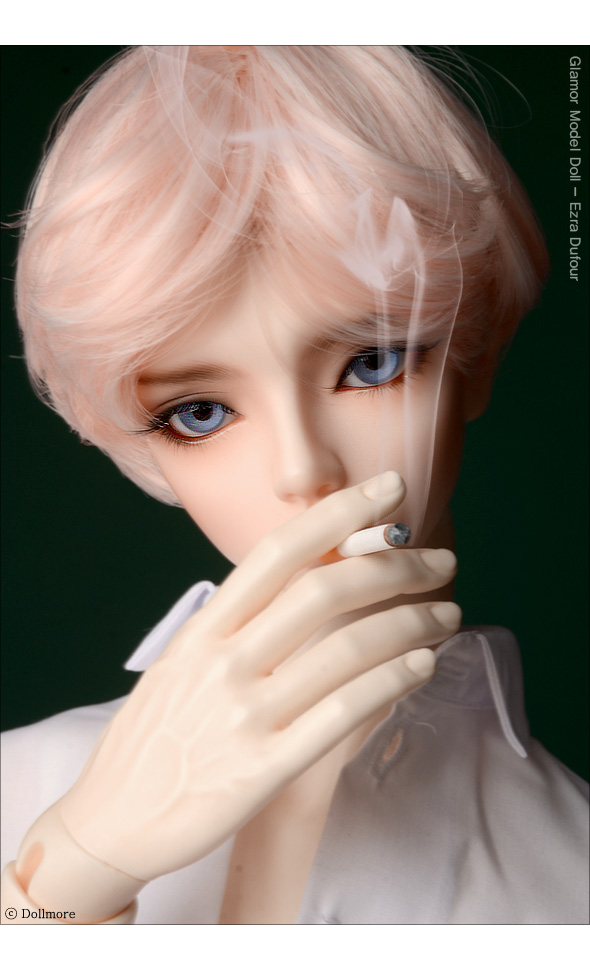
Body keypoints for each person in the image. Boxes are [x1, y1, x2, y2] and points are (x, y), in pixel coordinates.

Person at [1, 46, 588, 925]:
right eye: (198, 413)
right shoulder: (20, 785)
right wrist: (63, 883)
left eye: (374, 362)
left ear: (476, 358)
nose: (303, 469)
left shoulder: (568, 873)